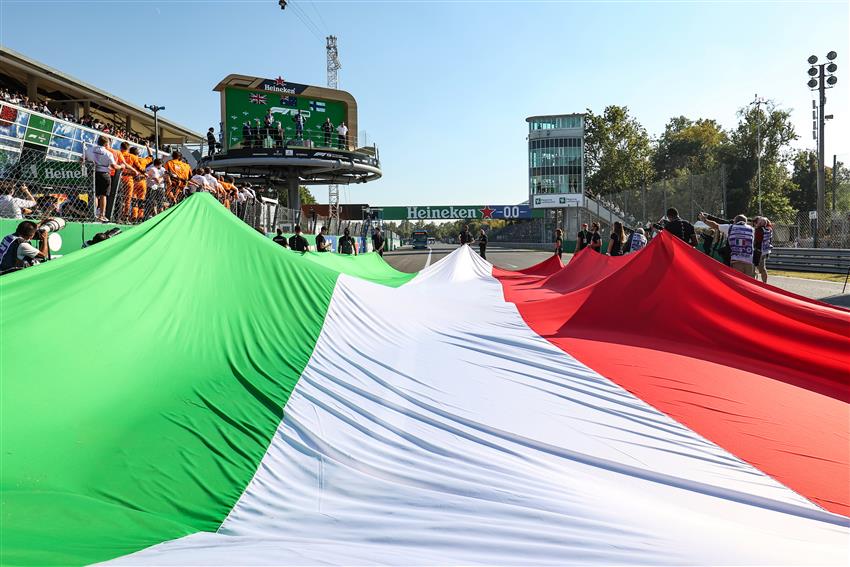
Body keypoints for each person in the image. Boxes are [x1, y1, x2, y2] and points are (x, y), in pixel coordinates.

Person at [700, 212, 755, 277]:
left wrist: (704, 220)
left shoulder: (730, 227)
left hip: (736, 260)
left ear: (734, 221)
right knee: (749, 283)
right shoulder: (751, 229)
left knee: (737, 281)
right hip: (749, 261)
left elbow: (715, 225)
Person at [84, 135, 124, 222]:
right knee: (103, 195)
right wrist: (121, 166)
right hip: (104, 174)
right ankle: (101, 215)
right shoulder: (108, 153)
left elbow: (81, 159)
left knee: (94, 194)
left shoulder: (89, 149)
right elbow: (114, 166)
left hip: (92, 173)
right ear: (106, 144)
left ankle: (92, 214)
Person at [753, 216, 773, 283]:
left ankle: (754, 282)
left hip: (758, 251)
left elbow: (755, 240)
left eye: (757, 222)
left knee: (753, 268)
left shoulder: (758, 230)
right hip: (765, 251)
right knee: (763, 269)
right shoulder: (769, 229)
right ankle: (765, 283)